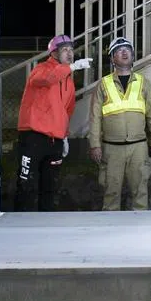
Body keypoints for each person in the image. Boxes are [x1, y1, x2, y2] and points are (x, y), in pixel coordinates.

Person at [14, 34, 91, 211]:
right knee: (26, 182)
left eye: (72, 50)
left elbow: (67, 109)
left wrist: (64, 135)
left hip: (54, 140)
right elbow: (46, 79)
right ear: (54, 53)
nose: (70, 54)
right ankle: (19, 225)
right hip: (33, 136)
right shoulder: (41, 69)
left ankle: (45, 224)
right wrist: (71, 67)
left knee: (50, 186)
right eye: (65, 50)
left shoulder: (68, 80)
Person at [88, 36, 151, 211]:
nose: (124, 52)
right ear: (113, 58)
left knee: (140, 193)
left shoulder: (143, 83)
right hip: (111, 149)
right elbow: (95, 117)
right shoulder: (103, 85)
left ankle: (140, 234)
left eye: (127, 49)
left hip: (139, 147)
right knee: (111, 194)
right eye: (119, 50)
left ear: (133, 55)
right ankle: (111, 234)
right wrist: (95, 145)